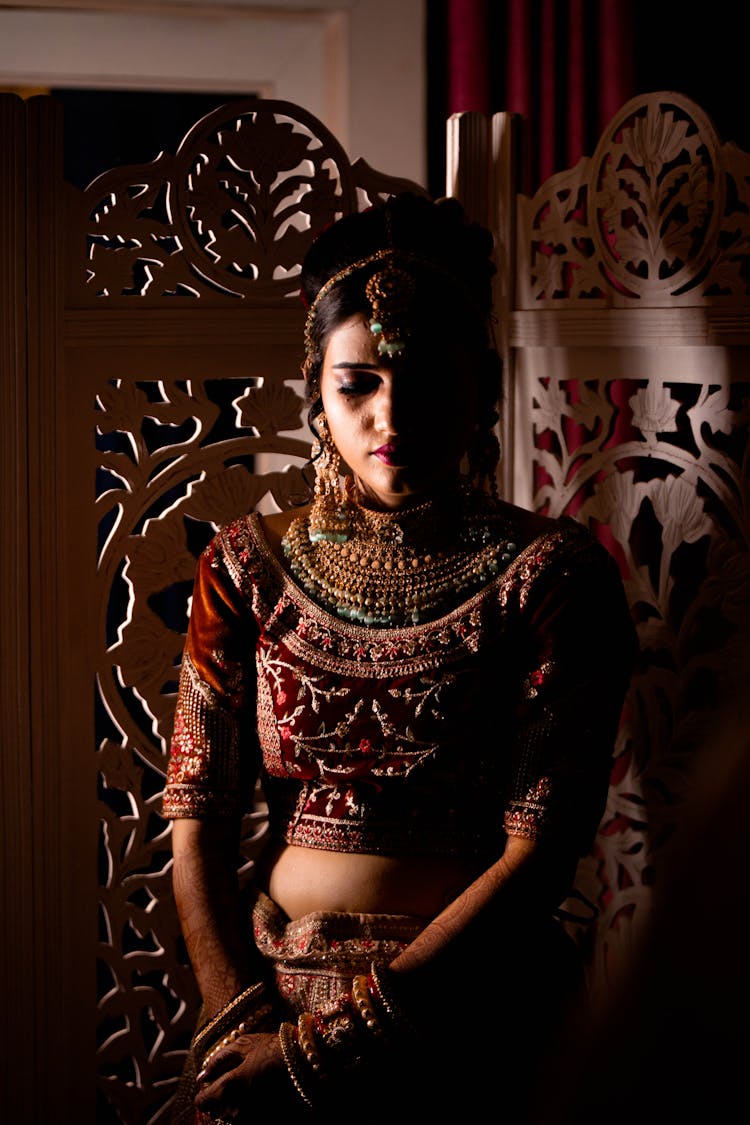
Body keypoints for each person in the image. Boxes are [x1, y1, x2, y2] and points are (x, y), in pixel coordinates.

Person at [163, 192, 637, 1124]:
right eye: (359, 383)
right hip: (271, 999)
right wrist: (238, 1020)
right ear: (317, 395)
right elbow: (195, 816)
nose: (393, 412)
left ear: (483, 388)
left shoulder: (551, 577)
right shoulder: (247, 567)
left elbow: (539, 857)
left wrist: (333, 1047)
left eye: (425, 377)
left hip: (469, 1016)